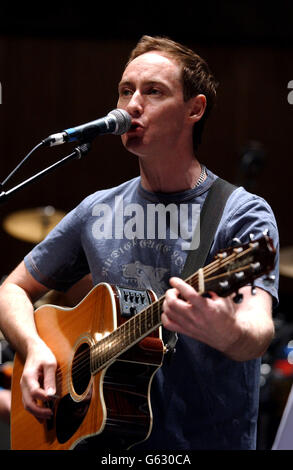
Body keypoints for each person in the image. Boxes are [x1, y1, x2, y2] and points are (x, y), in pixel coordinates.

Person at [0, 35, 279, 450]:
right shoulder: (97, 209)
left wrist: (228, 330)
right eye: (125, 90)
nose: (131, 105)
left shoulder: (240, 212)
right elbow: (11, 289)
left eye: (153, 92)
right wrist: (34, 347)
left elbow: (258, 328)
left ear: (194, 109)